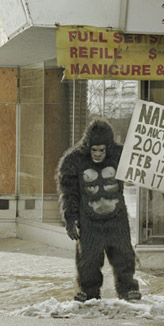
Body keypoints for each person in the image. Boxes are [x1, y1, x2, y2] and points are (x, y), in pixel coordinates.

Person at [55, 118, 140, 302]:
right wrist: (70, 218)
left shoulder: (120, 155)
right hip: (89, 219)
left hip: (116, 218)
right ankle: (88, 291)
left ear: (108, 147)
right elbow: (69, 193)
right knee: (88, 260)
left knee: (124, 256)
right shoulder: (73, 160)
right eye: (94, 150)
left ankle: (128, 289)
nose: (98, 154)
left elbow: (147, 170)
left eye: (102, 150)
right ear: (88, 147)